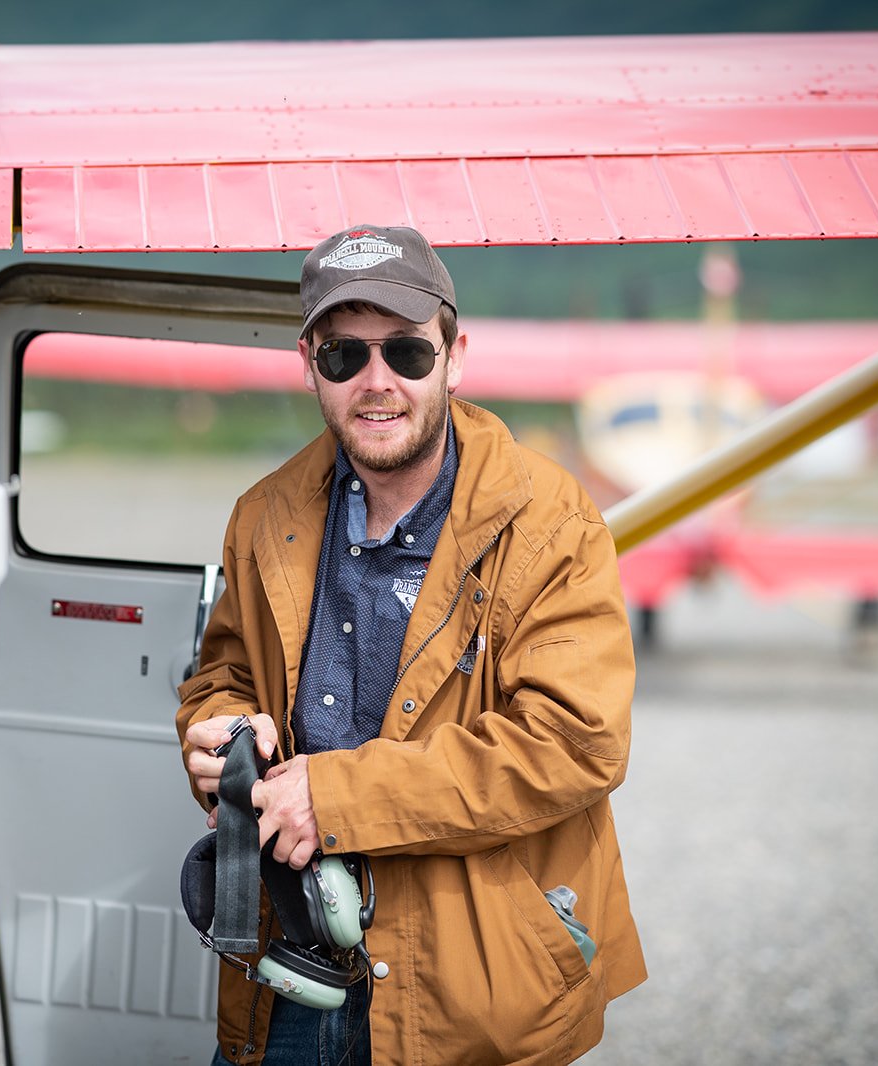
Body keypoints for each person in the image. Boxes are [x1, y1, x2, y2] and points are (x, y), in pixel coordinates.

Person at [177, 224, 644, 1065]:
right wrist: (215, 733)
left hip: (474, 993)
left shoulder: (553, 521)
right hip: (286, 971)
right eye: (344, 356)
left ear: (455, 356)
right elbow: (225, 674)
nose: (377, 382)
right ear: (309, 361)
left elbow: (576, 744)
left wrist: (337, 797)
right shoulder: (262, 515)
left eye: (407, 352)